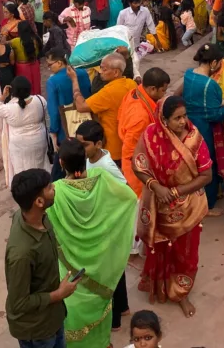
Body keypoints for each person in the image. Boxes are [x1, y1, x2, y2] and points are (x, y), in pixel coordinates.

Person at [47, 139, 137, 348]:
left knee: (74, 311)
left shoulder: (57, 191)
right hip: (101, 263)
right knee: (100, 306)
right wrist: (109, 230)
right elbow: (130, 199)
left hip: (70, 267)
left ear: (61, 163)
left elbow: (47, 226)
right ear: (84, 159)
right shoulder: (102, 178)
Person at [132, 95, 211, 318]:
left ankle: (181, 293)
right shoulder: (150, 135)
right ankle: (159, 286)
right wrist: (156, 187)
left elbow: (206, 175)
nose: (183, 122)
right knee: (160, 249)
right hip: (158, 205)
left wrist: (175, 192)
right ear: (163, 120)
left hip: (187, 208)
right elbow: (138, 165)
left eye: (184, 116)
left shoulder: (194, 139)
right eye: (177, 118)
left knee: (185, 254)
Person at [4, 168, 76, 348]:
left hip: (53, 317)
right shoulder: (22, 253)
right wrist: (58, 294)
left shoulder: (35, 217)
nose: (54, 188)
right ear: (39, 201)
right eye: (50, 187)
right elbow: (19, 302)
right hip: (38, 330)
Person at [181, 44, 224, 213]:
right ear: (213, 63)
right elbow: (214, 114)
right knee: (207, 165)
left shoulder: (189, 75)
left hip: (188, 126)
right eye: (219, 63)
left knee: (193, 164)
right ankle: (207, 206)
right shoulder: (210, 85)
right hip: (204, 129)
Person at [67, 53, 135, 164]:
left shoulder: (108, 92)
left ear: (116, 72)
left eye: (104, 69)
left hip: (113, 147)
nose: (100, 72)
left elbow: (81, 106)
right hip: (127, 142)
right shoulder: (131, 84)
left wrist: (74, 80)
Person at [117, 67, 170, 197]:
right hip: (136, 168)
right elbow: (130, 150)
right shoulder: (140, 117)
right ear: (152, 89)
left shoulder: (134, 93)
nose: (164, 94)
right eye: (163, 90)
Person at [0, 77, 50, 189]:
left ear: (14, 92)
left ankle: (28, 192)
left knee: (22, 169)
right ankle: (42, 188)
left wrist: (3, 96)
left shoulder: (9, 108)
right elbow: (47, 119)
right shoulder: (40, 100)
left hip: (19, 145)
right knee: (40, 164)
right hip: (39, 139)